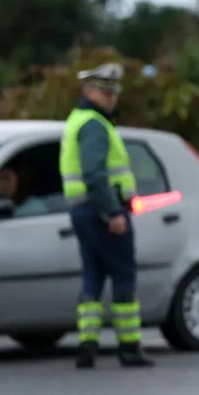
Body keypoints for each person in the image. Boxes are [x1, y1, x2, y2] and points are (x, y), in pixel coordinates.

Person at [59, 62, 154, 369]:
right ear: (88, 92)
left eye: (113, 93)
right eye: (105, 92)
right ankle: (129, 347)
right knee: (123, 274)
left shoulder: (78, 120)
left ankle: (87, 345)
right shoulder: (94, 126)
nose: (111, 98)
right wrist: (113, 211)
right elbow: (94, 174)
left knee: (93, 277)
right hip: (101, 210)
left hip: (82, 211)